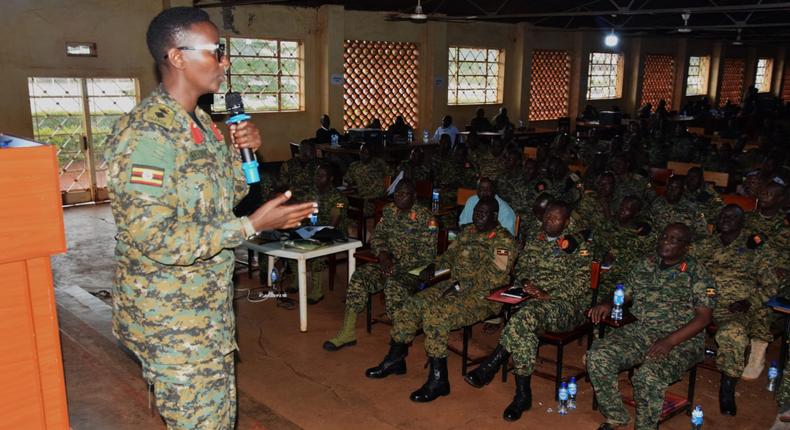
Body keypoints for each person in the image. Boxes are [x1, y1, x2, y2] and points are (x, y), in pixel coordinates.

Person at [104, 8, 317, 429]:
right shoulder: (149, 136)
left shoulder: (201, 124)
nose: (225, 62)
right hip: (170, 320)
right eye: (216, 52)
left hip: (206, 314)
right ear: (177, 57)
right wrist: (251, 226)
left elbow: (226, 198)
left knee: (219, 420)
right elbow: (155, 237)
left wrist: (244, 157)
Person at [364, 197, 517, 402]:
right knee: (411, 305)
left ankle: (439, 381)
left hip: (483, 296)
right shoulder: (468, 232)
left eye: (483, 214)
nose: (477, 217)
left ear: (495, 216)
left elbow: (495, 277)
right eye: (476, 212)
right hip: (453, 285)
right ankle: (395, 359)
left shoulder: (503, 241)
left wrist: (462, 285)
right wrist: (433, 267)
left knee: (436, 316)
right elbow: (448, 256)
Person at [463, 201, 593, 422]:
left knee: (524, 318)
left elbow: (581, 285)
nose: (548, 221)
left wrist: (545, 293)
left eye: (555, 218)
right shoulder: (537, 238)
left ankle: (490, 366)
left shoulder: (579, 247)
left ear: (567, 221)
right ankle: (522, 394)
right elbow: (521, 268)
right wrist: (525, 283)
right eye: (547, 216)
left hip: (567, 306)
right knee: (524, 329)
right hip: (531, 302)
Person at [586, 223, 715, 430]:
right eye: (664, 236)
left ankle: (646, 426)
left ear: (686, 247)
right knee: (599, 355)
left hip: (682, 339)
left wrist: (669, 341)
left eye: (674, 239)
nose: (666, 241)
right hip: (643, 330)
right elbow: (625, 292)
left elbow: (704, 318)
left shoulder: (697, 273)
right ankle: (616, 415)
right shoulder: (646, 263)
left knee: (648, 375)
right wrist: (608, 303)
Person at [323, 180, 437, 351]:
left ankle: (400, 340)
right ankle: (347, 333)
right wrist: (383, 256)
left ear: (414, 197)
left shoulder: (426, 218)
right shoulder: (389, 211)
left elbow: (427, 256)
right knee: (359, 276)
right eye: (397, 193)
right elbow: (378, 237)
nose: (398, 197)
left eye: (404, 194)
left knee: (394, 285)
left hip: (412, 271)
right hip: (387, 264)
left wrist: (395, 267)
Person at [690, 205, 780, 415]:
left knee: (734, 333)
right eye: (722, 215)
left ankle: (727, 388)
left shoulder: (755, 247)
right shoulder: (705, 244)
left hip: (732, 307)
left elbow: (771, 285)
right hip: (699, 301)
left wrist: (750, 301)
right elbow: (683, 263)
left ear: (742, 222)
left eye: (731, 216)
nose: (725, 219)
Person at [300, 163, 349, 304]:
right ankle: (296, 280)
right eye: (316, 175)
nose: (317, 178)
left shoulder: (338, 197)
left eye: (322, 176)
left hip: (335, 232)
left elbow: (336, 215)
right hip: (314, 230)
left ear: (331, 179)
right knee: (289, 240)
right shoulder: (311, 192)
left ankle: (317, 291)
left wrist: (324, 234)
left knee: (316, 252)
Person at [595, 196, 653, 297]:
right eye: (621, 207)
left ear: (636, 213)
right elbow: (597, 242)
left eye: (627, 209)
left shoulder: (636, 235)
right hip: (597, 271)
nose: (622, 211)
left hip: (615, 281)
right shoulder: (610, 223)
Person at [649, 175, 708, 240]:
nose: (672, 190)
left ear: (682, 190)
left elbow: (702, 233)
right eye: (670, 187)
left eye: (676, 188)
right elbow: (648, 219)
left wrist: (684, 240)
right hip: (657, 240)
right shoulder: (657, 202)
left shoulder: (692, 207)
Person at [343, 143, 391, 216]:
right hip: (359, 197)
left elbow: (391, 174)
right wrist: (349, 186)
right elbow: (346, 181)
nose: (363, 156)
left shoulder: (378, 163)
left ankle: (355, 219)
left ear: (371, 154)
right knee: (339, 204)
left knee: (357, 209)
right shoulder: (354, 165)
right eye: (361, 152)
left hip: (373, 199)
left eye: (366, 153)